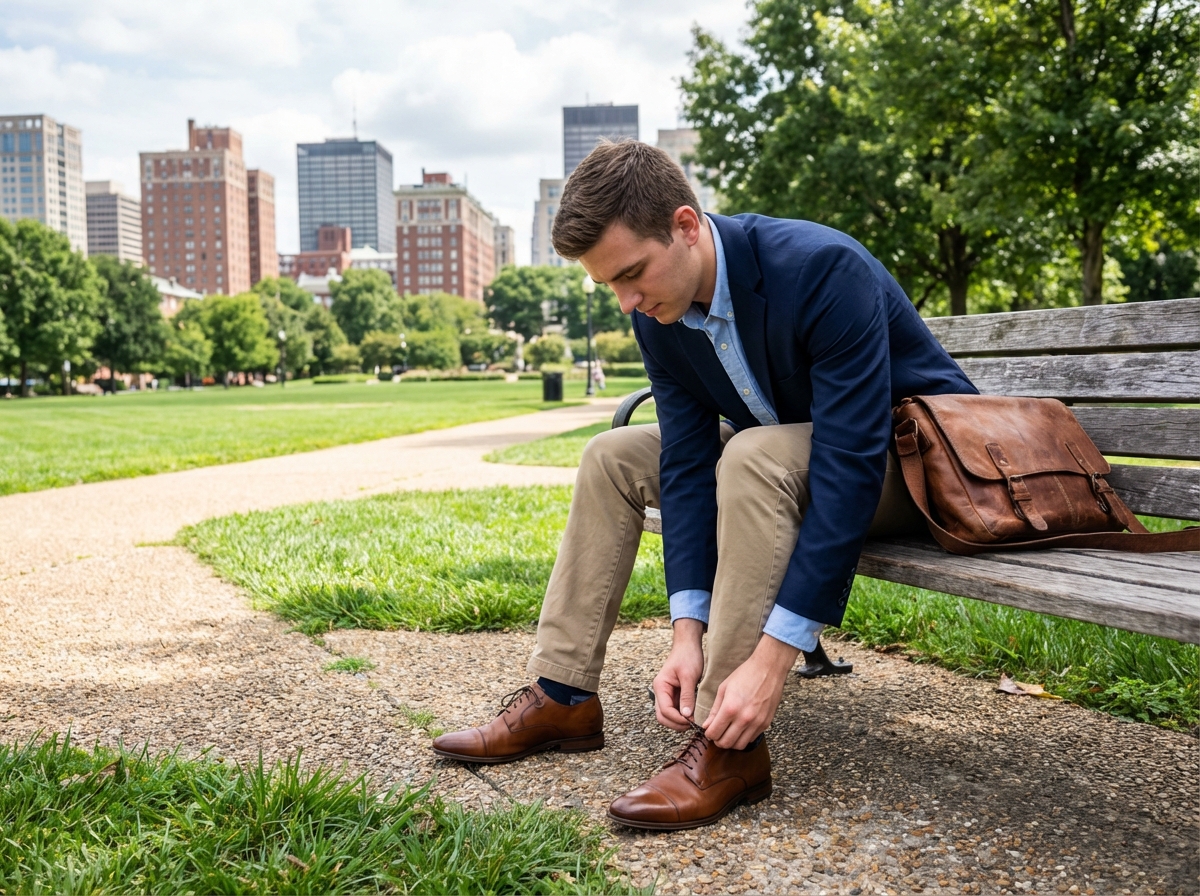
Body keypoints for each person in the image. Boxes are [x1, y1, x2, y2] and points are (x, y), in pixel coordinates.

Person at [432, 140, 977, 831]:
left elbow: (849, 464)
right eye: (610, 287)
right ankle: (562, 692)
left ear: (686, 226)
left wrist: (773, 660)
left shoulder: (820, 269)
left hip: (912, 469)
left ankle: (729, 742)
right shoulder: (658, 313)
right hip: (791, 457)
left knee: (752, 456)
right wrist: (684, 631)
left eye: (632, 274)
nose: (627, 301)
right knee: (615, 453)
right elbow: (685, 464)